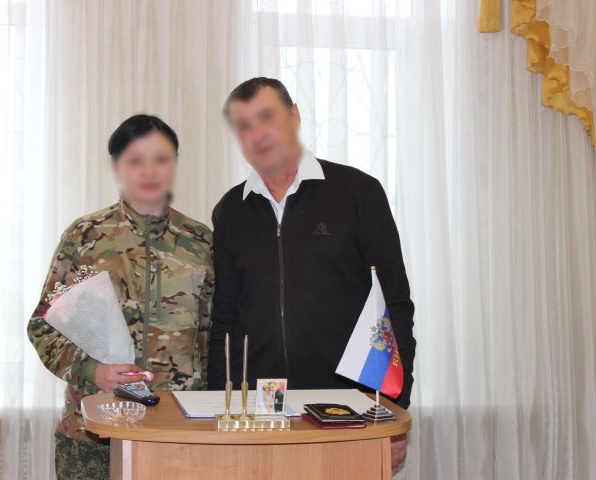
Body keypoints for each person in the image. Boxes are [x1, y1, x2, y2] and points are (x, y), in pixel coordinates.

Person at [207, 77, 415, 468]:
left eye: (267, 117)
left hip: (350, 407)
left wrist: (392, 413)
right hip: (261, 411)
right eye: (244, 125)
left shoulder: (358, 193)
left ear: (294, 117)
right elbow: (225, 320)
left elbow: (394, 307)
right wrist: (219, 406)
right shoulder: (231, 210)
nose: (258, 134)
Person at [27, 114, 214, 480]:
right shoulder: (85, 238)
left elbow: (215, 336)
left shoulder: (200, 242)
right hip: (94, 433)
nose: (149, 171)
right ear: (116, 166)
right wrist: (91, 371)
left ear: (175, 163)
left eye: (161, 158)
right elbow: (43, 327)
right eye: (135, 159)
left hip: (179, 430)